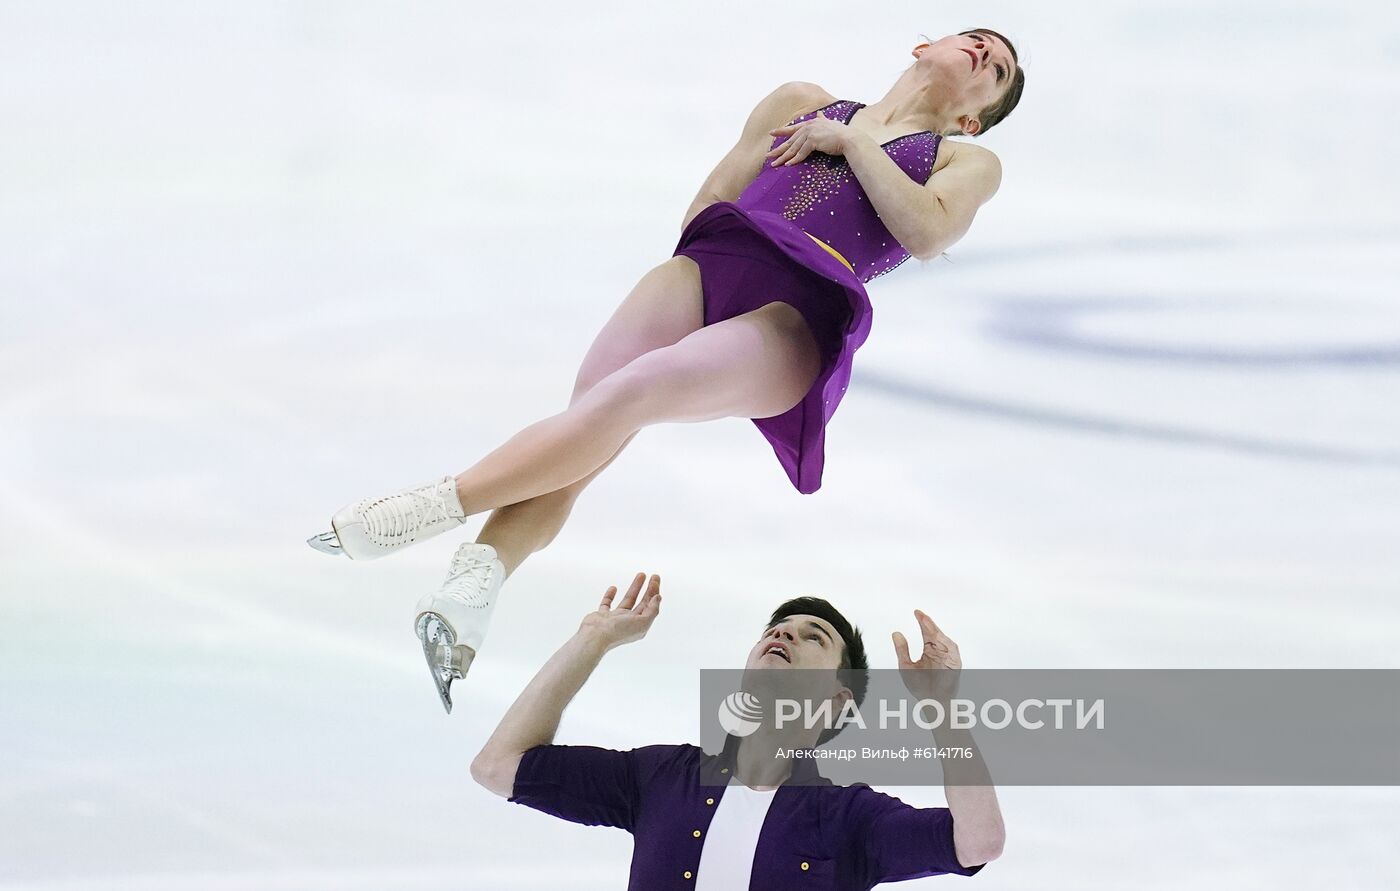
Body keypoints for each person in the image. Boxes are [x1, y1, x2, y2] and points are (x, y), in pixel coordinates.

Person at [306, 30, 1026, 710]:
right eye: (978, 40)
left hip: (796, 316)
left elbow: (927, 232)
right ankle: (465, 602)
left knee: (633, 393)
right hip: (709, 268)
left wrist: (851, 143)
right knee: (584, 431)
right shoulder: (796, 100)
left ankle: (422, 510)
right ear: (924, 45)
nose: (984, 52)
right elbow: (713, 196)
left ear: (972, 118)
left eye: (996, 71)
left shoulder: (962, 162)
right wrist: (696, 274)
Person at [470, 574, 1006, 889]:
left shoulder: (849, 818)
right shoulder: (662, 778)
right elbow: (497, 766)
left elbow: (978, 841)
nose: (784, 634)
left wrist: (941, 707)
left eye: (812, 637)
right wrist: (592, 641)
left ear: (838, 699)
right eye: (776, 630)